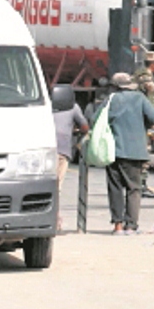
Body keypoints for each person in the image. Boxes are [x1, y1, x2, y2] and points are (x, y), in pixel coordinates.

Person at [105, 71, 154, 234]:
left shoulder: (111, 99)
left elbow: (96, 119)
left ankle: (117, 226)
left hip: (113, 151)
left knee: (115, 188)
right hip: (135, 151)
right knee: (134, 189)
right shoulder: (139, 98)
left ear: (114, 86)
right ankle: (131, 226)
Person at [53, 98, 89, 232]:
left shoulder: (43, 102)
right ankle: (55, 220)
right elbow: (84, 126)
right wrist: (76, 130)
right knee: (56, 186)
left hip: (40, 149)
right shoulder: (72, 106)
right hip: (61, 150)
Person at [132, 51, 154, 198]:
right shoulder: (144, 75)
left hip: (143, 119)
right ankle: (141, 184)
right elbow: (149, 91)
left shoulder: (144, 74)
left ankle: (141, 183)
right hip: (142, 120)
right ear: (153, 64)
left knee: (144, 152)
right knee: (144, 152)